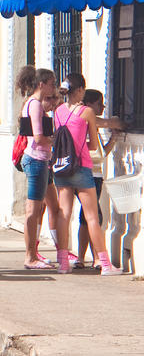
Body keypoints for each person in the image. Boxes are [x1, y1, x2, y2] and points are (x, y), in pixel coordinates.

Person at [52, 74, 122, 276]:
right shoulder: (86, 112)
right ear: (81, 90)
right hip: (81, 167)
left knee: (64, 213)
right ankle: (106, 264)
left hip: (61, 168)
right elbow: (92, 144)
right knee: (91, 216)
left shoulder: (58, 112)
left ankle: (64, 263)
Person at [15, 66, 59, 269]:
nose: (54, 87)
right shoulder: (34, 105)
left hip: (42, 160)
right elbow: (39, 137)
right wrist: (57, 141)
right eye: (51, 83)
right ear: (41, 84)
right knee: (33, 210)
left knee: (52, 206)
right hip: (36, 160)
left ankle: (58, 251)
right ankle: (30, 256)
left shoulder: (34, 104)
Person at [76, 89, 122, 270]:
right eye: (99, 103)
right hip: (90, 174)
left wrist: (113, 140)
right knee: (95, 217)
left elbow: (101, 152)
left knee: (85, 218)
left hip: (91, 173)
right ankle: (97, 258)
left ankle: (82, 257)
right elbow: (95, 154)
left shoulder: (90, 125)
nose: (102, 106)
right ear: (90, 105)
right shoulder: (89, 123)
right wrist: (118, 124)